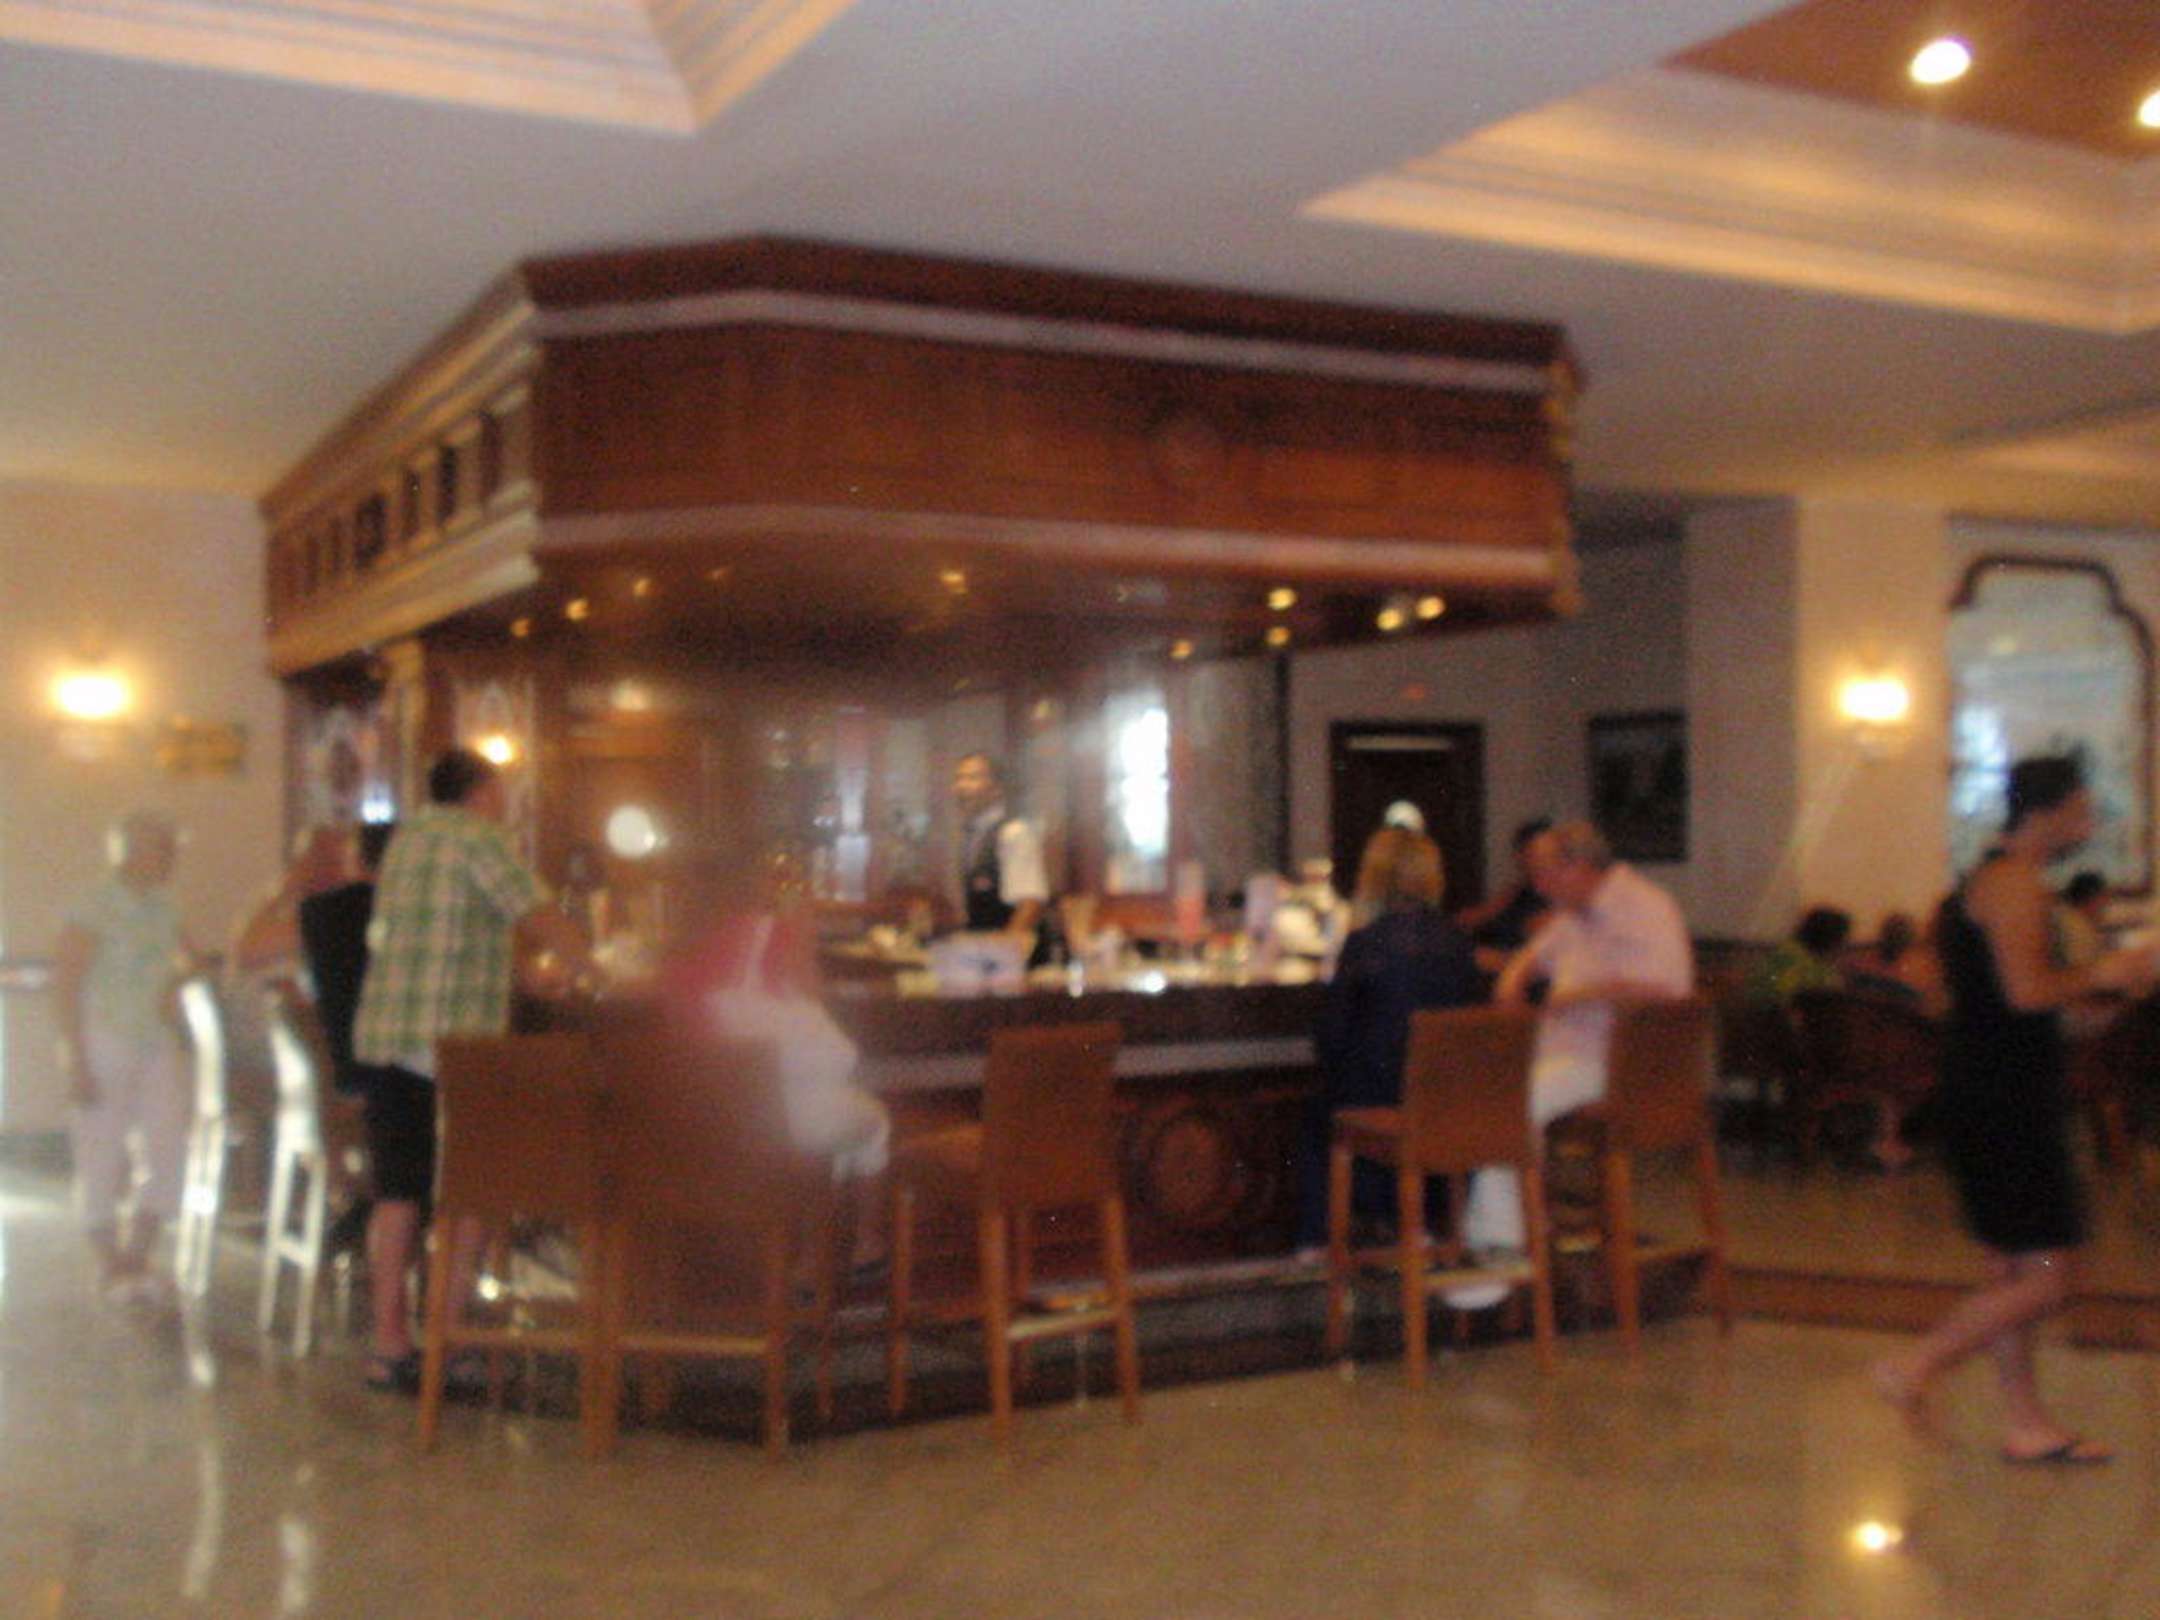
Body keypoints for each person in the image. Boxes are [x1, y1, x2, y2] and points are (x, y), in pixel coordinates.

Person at [1871, 756, 2154, 1465]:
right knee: (2054, 1276)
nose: (2088, 824)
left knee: (2011, 1274)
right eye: (2081, 810)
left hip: (1994, 1086)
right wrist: (2104, 970)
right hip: (2004, 1099)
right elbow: (2029, 991)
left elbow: (2018, 1005)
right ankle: (1916, 1363)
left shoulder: (1999, 883)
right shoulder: (2013, 884)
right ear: (2046, 812)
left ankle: (2026, 1422)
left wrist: (2114, 997)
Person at [350, 750, 595, 1392]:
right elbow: (538, 915)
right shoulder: (479, 838)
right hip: (452, 1045)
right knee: (470, 1191)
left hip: (389, 1036)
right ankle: (448, 1340)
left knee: (397, 1194)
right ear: (483, 791)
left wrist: (522, 973)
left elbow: (448, 933)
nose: (505, 803)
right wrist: (590, 965)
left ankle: (388, 1345)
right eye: (502, 791)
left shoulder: (408, 840)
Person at [1462, 820, 1693, 1253]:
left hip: (1616, 1064)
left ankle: (1499, 1254)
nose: (1537, 885)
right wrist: (1513, 979)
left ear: (1579, 866)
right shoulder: (1574, 914)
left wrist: (1584, 994)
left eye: (1543, 873)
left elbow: (1668, 994)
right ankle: (1516, 1236)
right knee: (1479, 1095)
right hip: (1568, 1057)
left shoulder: (1644, 907)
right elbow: (1531, 958)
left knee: (1507, 1108)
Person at [1297, 826, 1479, 1253]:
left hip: (1379, 1099)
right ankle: (1419, 1223)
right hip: (1445, 1101)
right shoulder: (1458, 943)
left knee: (1316, 1111)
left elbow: (1332, 1035)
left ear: (1372, 876)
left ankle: (1319, 1239)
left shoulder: (1365, 944)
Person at [50, 811, 196, 1303]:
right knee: (100, 1150)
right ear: (129, 851)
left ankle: (137, 1255)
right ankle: (108, 1262)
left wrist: (176, 985)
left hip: (155, 1041)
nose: (169, 858)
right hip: (103, 1036)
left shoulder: (166, 905)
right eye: (160, 848)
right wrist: (75, 1058)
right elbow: (66, 983)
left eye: (170, 849)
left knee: (168, 1145)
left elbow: (189, 960)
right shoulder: (93, 905)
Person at [297, 820, 395, 1095]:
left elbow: (248, 948)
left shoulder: (321, 913)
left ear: (355, 860)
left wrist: (292, 884)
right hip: (395, 1077)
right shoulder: (407, 913)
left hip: (347, 1073)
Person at [950, 752, 1048, 948]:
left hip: (1012, 957)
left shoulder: (1013, 833)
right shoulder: (971, 834)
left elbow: (1030, 903)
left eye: (972, 778)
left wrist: (1001, 954)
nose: (962, 786)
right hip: (982, 950)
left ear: (997, 789)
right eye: (959, 778)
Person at [1455, 817, 1554, 976]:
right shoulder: (1516, 893)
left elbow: (1550, 960)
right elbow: (1468, 920)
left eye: (1548, 854)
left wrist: (1499, 960)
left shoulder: (1562, 901)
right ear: (1519, 855)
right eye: (1533, 853)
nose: (1543, 861)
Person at [1748, 906, 1851, 1005]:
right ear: (1832, 940)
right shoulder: (1795, 960)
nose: (1843, 947)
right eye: (1842, 940)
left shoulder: (1788, 953)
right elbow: (1787, 1000)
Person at [2054, 869, 2108, 971]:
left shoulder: (2064, 913)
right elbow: (2086, 970)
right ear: (2092, 898)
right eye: (2103, 897)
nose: (2105, 903)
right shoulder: (2077, 929)